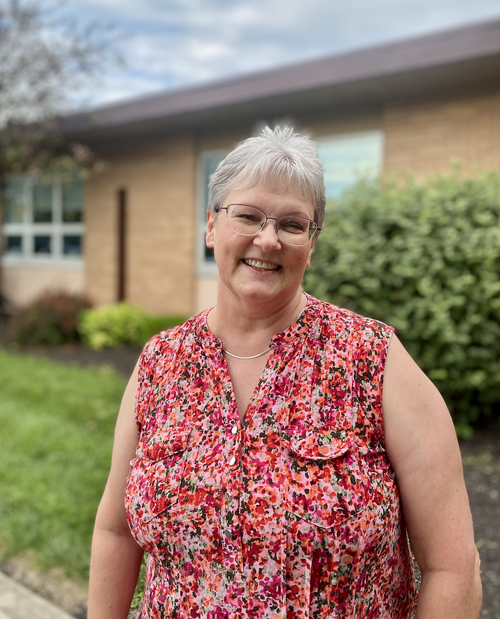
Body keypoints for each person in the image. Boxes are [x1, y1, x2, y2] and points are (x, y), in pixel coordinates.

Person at [88, 126, 482, 619]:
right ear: (211, 226)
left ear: (311, 245)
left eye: (292, 225)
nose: (268, 239)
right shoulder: (160, 362)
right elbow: (115, 532)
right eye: (247, 216)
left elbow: (452, 567)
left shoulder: (372, 359)